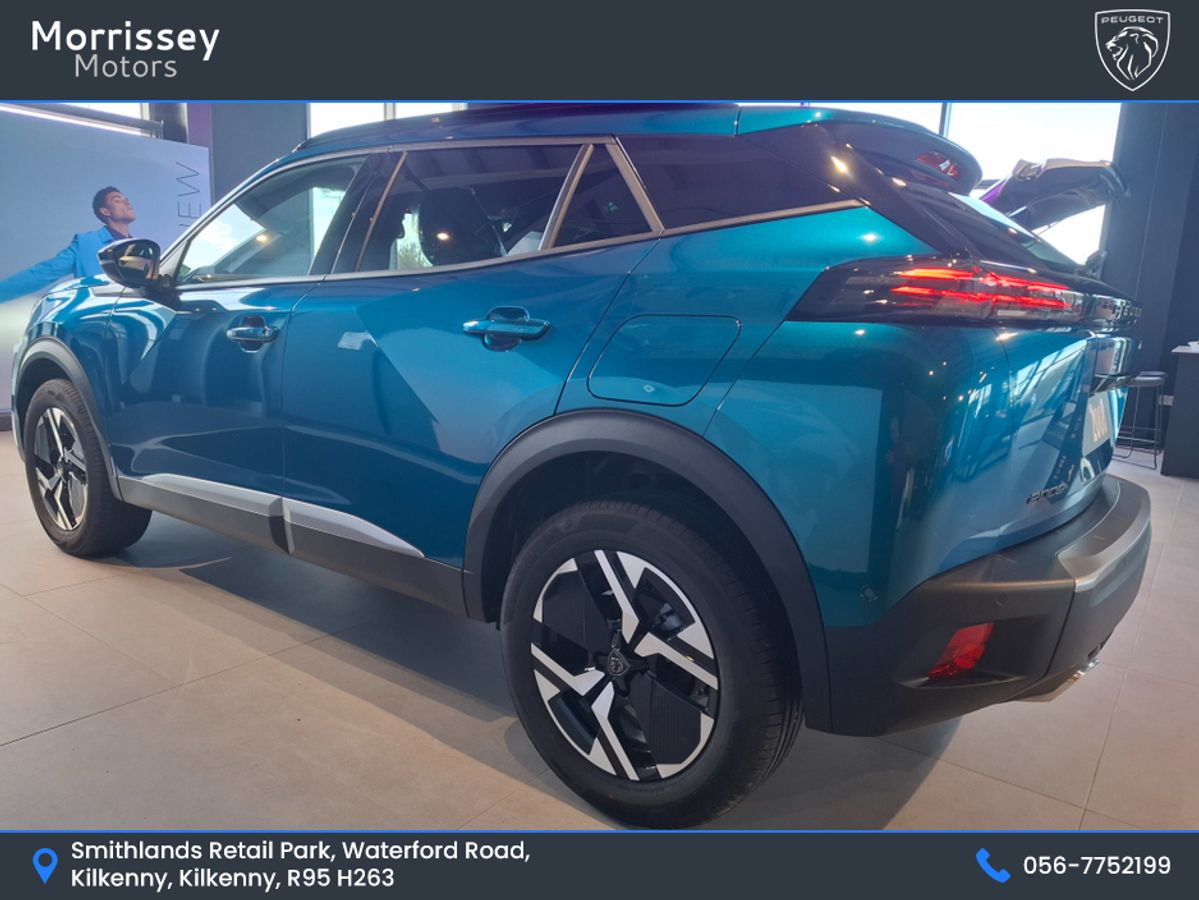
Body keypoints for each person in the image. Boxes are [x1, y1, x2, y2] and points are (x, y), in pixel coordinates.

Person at [0, 186, 136, 303]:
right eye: (117, 200)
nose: (127, 202)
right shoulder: (86, 244)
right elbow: (43, 273)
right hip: (100, 319)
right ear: (105, 211)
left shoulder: (142, 250)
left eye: (126, 199)